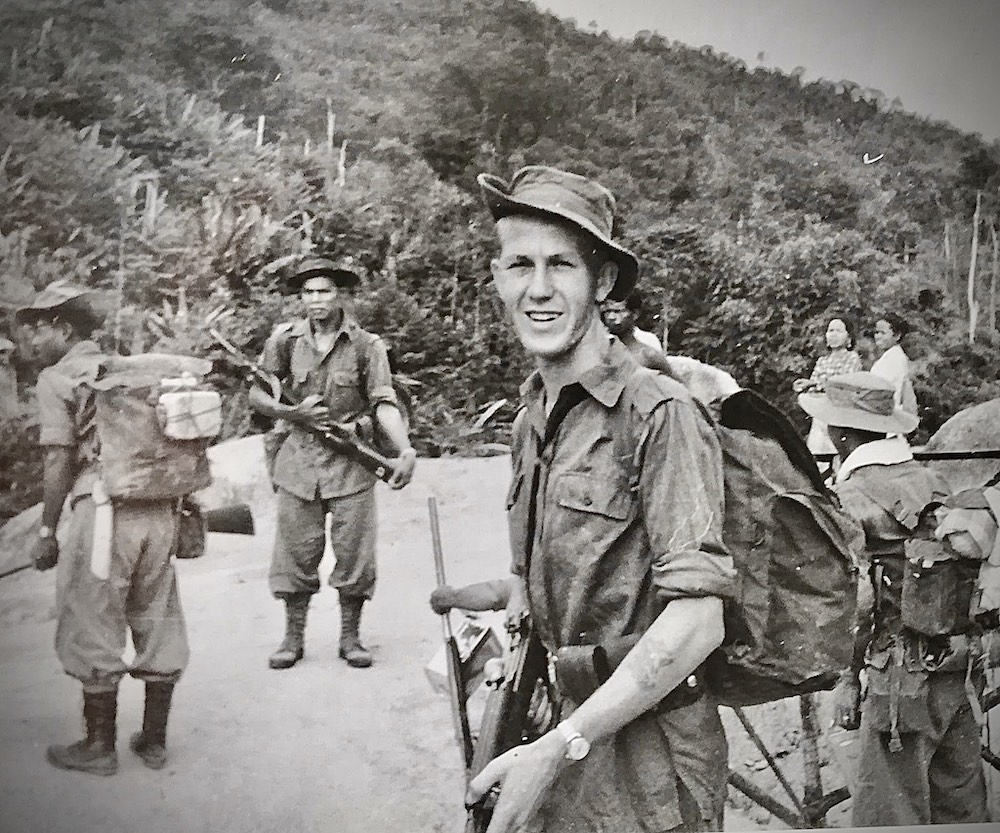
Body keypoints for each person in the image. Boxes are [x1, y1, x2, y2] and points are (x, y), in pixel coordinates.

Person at [466, 165, 735, 833]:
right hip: (556, 735)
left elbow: (699, 620)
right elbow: (536, 587)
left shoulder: (660, 411)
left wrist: (557, 749)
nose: (538, 288)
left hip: (649, 772)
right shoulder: (531, 418)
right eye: (518, 265)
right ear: (497, 277)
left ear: (603, 281)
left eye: (561, 265)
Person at [798, 371, 988, 827]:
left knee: (889, 811)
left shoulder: (850, 496)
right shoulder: (932, 479)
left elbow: (858, 598)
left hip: (899, 677)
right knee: (961, 808)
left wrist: (847, 680)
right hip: (960, 668)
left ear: (841, 434)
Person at [20, 281, 189, 775]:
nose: (31, 338)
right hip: (159, 509)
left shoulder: (57, 379)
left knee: (92, 618)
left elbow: (58, 463)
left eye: (39, 328)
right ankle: (153, 741)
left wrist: (48, 531)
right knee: (157, 614)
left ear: (65, 329)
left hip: (103, 511)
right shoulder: (131, 370)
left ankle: (98, 748)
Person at [249, 257, 416, 670]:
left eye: (324, 291)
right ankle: (292, 638)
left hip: (351, 465)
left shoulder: (366, 346)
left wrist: (405, 449)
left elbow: (383, 403)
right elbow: (257, 397)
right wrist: (294, 416)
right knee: (294, 555)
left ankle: (350, 637)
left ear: (340, 294)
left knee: (355, 555)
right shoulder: (284, 341)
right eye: (308, 292)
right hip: (298, 464)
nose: (316, 300)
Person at [792, 316, 863, 454]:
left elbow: (843, 384)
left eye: (839, 331)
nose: (833, 334)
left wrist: (814, 383)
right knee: (818, 456)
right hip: (820, 416)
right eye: (830, 330)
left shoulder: (852, 358)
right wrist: (807, 387)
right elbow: (812, 389)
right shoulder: (822, 361)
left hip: (840, 416)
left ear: (849, 337)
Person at [870, 312, 917, 416]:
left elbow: (887, 387)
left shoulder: (896, 358)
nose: (878, 336)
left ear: (897, 336)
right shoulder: (887, 357)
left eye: (883, 333)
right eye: (876, 332)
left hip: (889, 409)